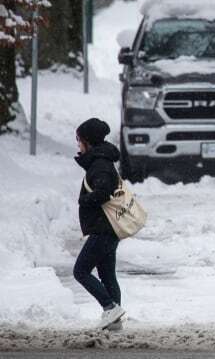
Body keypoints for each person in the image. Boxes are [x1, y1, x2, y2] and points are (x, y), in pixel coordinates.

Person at [73, 118, 126, 330]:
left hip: (102, 229)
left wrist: (83, 200)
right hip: (108, 228)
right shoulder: (101, 160)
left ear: (88, 141)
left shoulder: (100, 164)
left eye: (79, 139)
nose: (77, 144)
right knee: (107, 274)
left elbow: (103, 192)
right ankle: (114, 320)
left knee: (80, 271)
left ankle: (110, 308)